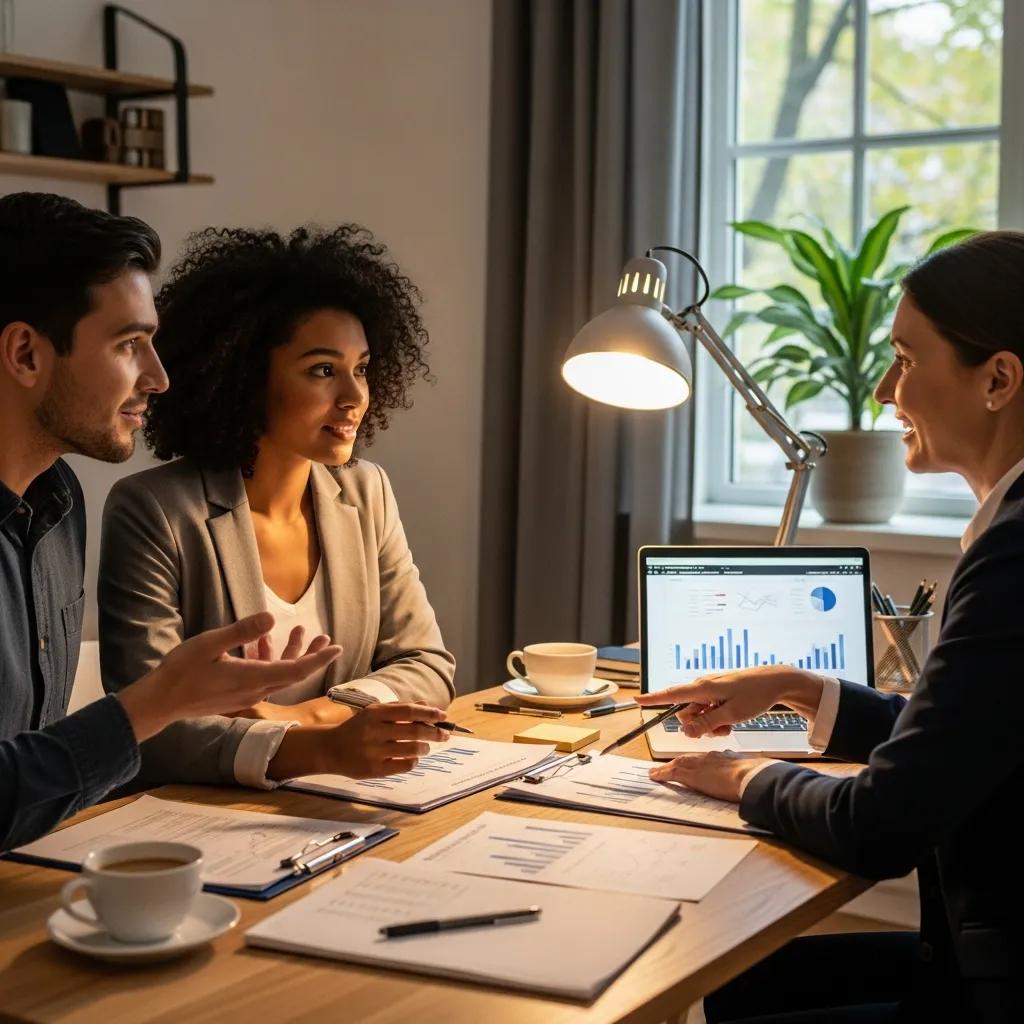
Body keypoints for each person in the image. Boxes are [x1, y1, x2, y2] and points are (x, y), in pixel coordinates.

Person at [635, 230, 1024, 1023]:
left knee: (721, 982)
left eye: (907, 361)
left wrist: (743, 777)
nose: (885, 390)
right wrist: (799, 688)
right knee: (738, 981)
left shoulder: (1016, 551)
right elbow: (956, 738)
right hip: (974, 949)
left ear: (998, 379)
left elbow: (880, 825)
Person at [0, 192, 343, 853]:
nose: (158, 378)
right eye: (130, 344)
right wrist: (155, 705)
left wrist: (179, 703)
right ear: (25, 354)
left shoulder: (59, 504)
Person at [98, 224, 456, 790]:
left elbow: (429, 665)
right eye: (322, 370)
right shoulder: (155, 511)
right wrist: (316, 750)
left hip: (338, 803)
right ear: (244, 376)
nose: (355, 396)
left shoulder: (366, 493)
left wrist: (314, 719)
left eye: (361, 368)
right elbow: (148, 725)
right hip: (205, 821)